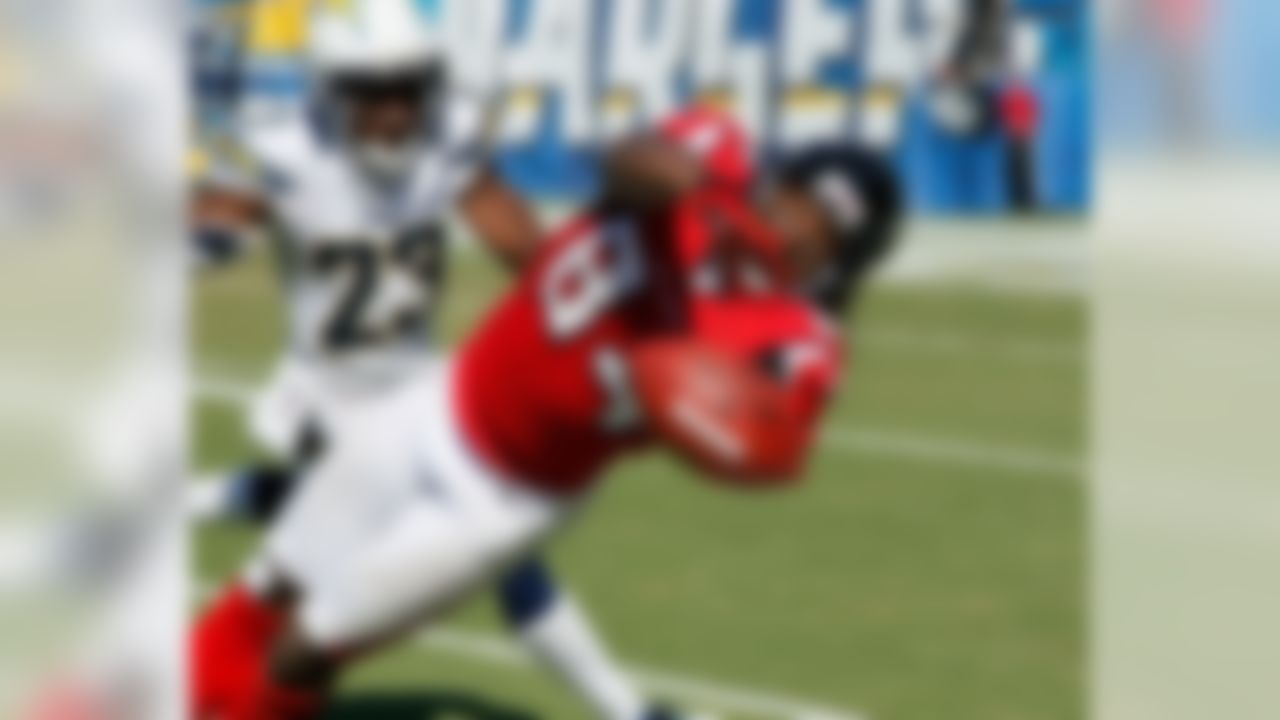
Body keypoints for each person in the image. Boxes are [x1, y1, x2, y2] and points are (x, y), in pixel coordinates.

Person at [191, 101, 902, 719]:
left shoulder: (797, 335)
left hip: (504, 496)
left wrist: (719, 407)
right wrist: (691, 184)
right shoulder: (714, 159)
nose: (794, 228)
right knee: (272, 583)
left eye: (823, 234)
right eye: (797, 200)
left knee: (304, 649)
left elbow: (783, 440)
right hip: (441, 400)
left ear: (838, 265)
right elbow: (625, 160)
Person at [190, 2, 684, 718]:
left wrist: (601, 315)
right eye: (375, 91)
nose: (396, 112)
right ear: (333, 90)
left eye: (409, 88)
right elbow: (208, 230)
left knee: (484, 549)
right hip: (327, 398)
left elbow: (525, 249)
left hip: (419, 392)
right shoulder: (281, 152)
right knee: (410, 563)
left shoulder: (446, 138)